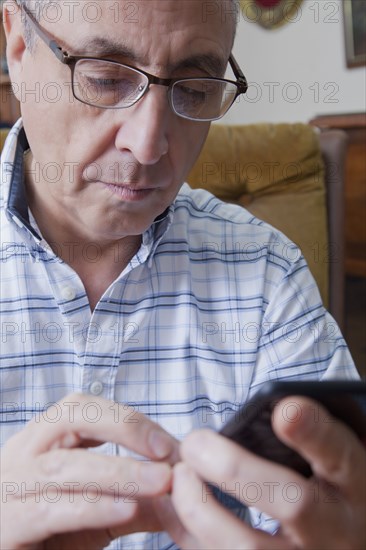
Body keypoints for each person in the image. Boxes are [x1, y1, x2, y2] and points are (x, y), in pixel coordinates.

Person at [0, 1, 364, 549]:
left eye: (193, 89)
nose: (149, 145)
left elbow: (332, 505)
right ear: (19, 46)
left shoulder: (267, 273)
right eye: (104, 78)